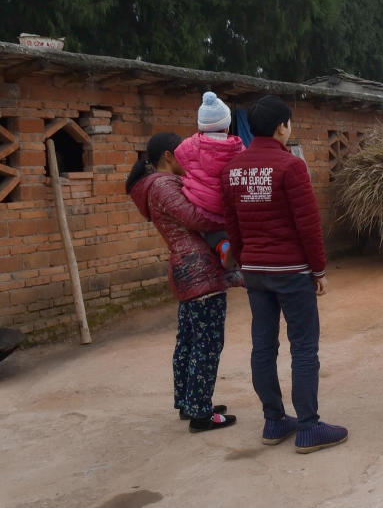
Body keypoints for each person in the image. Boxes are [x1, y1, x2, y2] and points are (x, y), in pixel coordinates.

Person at [221, 95, 347, 454]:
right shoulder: (291, 167)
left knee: (263, 346)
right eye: (289, 123)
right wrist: (319, 269)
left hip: (255, 273)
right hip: (291, 271)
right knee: (304, 347)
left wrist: (244, 261)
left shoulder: (233, 169)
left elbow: (232, 225)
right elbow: (308, 225)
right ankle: (308, 427)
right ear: (281, 127)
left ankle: (274, 420)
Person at [126, 132, 239, 432]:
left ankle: (190, 402)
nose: (187, 161)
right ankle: (201, 413)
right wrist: (230, 220)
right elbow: (196, 218)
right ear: (167, 156)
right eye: (182, 155)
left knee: (189, 340)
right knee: (208, 343)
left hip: (186, 270)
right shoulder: (163, 185)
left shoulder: (154, 186)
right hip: (198, 270)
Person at [173, 91, 245, 266]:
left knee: (209, 231)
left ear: (200, 127)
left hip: (202, 207)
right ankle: (234, 248)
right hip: (228, 206)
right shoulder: (237, 147)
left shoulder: (189, 145)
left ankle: (222, 246)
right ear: (227, 127)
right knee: (233, 227)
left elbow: (178, 156)